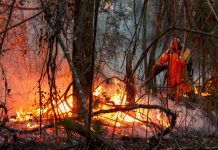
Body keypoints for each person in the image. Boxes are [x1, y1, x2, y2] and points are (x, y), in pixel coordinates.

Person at [152, 37, 196, 105]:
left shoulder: (185, 50)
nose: (173, 48)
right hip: (171, 73)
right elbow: (163, 58)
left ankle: (193, 102)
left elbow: (184, 61)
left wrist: (175, 55)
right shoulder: (170, 51)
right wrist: (157, 65)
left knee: (187, 87)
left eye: (174, 46)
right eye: (172, 46)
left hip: (182, 73)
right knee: (172, 90)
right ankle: (172, 104)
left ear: (178, 45)